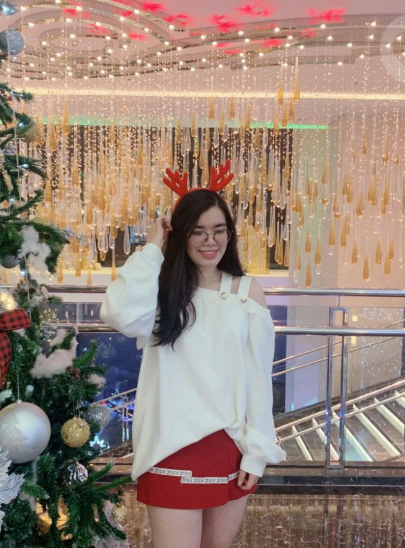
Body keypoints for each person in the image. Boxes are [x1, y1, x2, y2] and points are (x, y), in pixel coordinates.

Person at [101, 185, 285, 548]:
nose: (210, 241)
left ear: (230, 234)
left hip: (230, 447)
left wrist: (257, 453)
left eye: (218, 230)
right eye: (197, 231)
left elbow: (258, 380)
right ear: (181, 235)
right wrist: (153, 247)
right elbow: (119, 313)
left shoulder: (247, 293)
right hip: (169, 446)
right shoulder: (161, 293)